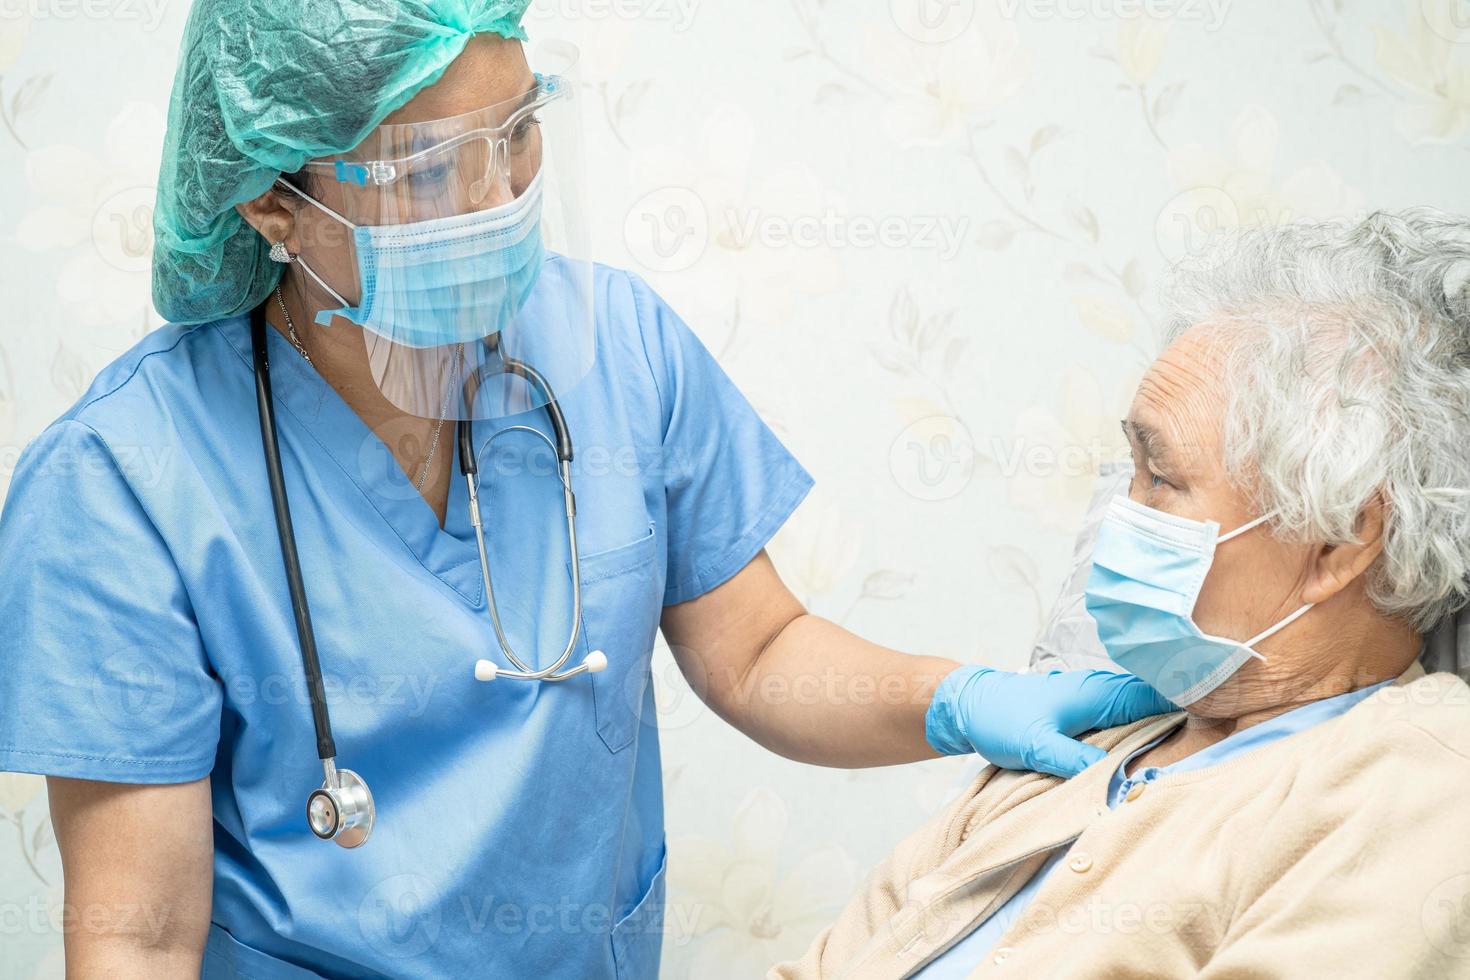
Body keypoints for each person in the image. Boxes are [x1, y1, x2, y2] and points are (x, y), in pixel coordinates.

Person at [0, 3, 1170, 977]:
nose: (495, 196)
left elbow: (757, 654)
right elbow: (140, 938)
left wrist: (958, 697)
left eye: (515, 134)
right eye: (428, 168)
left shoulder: (617, 349)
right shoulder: (124, 482)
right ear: (271, 204)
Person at [771, 209, 1470, 979]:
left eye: (1160, 479)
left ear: (1339, 540)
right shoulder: (1083, 751)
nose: (1119, 514)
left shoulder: (1417, 781)